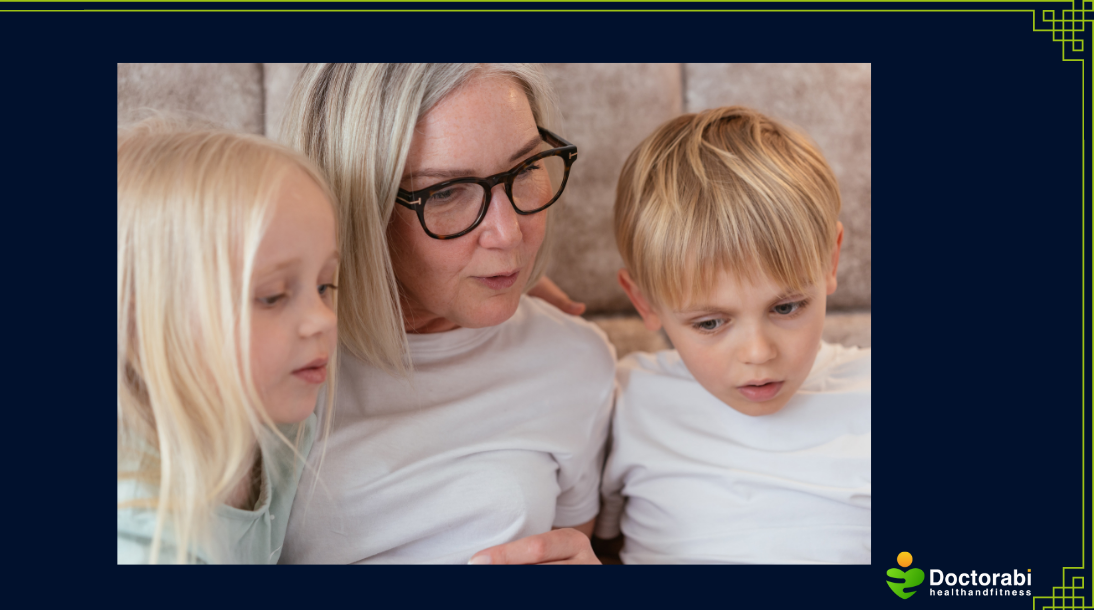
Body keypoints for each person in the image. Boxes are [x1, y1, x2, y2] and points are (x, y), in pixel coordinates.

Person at [278, 64, 613, 565]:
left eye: (524, 170)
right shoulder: (281, 361)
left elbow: (573, 544)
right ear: (358, 207)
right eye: (445, 192)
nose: (509, 233)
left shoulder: (575, 360)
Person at [596, 106, 871, 564]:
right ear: (644, 302)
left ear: (830, 262)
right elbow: (593, 545)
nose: (758, 353)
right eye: (710, 323)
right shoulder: (625, 400)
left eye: (786, 307)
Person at [116, 121, 339, 564]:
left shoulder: (281, 433)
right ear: (145, 322)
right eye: (272, 296)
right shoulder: (145, 537)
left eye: (326, 285)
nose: (322, 320)